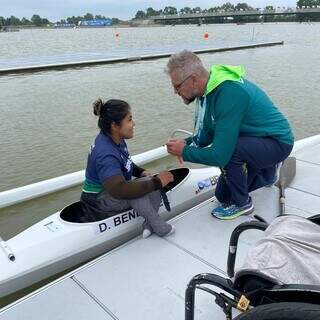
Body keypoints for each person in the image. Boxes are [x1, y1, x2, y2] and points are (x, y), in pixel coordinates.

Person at [165, 50, 294, 220]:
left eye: (177, 86)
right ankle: (268, 172)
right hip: (253, 139)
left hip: (277, 142)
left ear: (193, 79)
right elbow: (207, 134)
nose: (175, 92)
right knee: (223, 196)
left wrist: (185, 152)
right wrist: (186, 143)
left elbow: (220, 156)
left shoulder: (229, 93)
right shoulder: (208, 92)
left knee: (231, 151)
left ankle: (243, 204)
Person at [80, 98, 175, 237]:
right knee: (139, 191)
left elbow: (125, 163)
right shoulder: (105, 153)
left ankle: (148, 224)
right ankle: (160, 227)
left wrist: (142, 172)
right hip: (98, 199)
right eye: (129, 120)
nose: (134, 123)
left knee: (150, 182)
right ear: (115, 126)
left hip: (111, 189)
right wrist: (158, 182)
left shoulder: (116, 138)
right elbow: (120, 190)